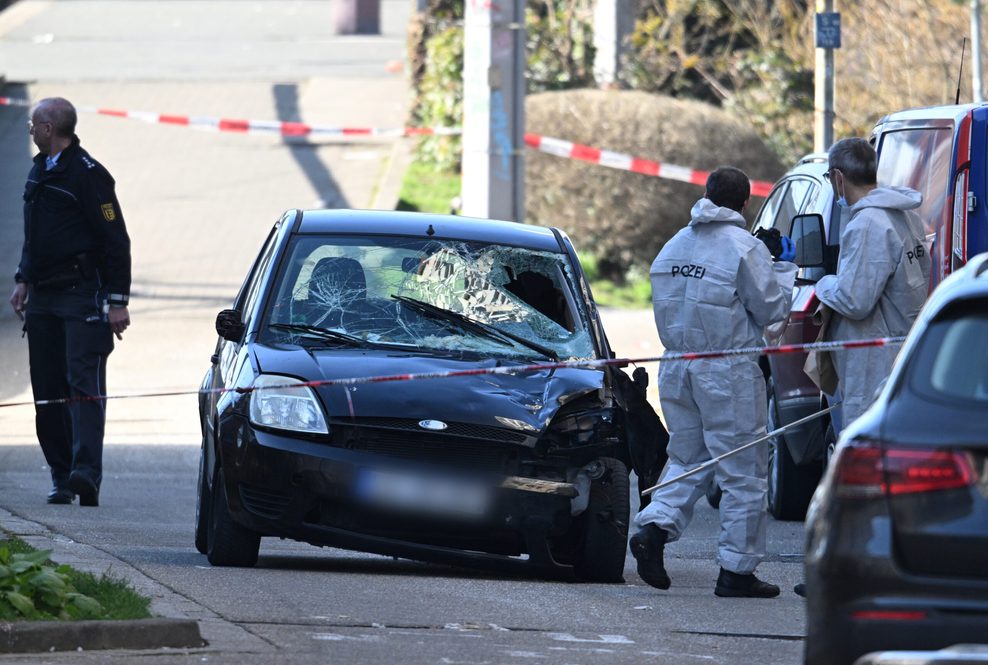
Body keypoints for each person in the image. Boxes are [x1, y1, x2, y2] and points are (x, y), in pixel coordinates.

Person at [630, 166, 797, 598]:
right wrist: (777, 265)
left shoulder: (673, 247)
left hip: (677, 367)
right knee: (743, 471)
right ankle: (736, 572)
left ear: (706, 194)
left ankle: (653, 529)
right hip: (727, 372)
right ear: (745, 202)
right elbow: (773, 311)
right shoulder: (745, 249)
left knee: (689, 457)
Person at [8, 97, 132, 507]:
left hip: (82, 298)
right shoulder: (38, 172)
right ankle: (61, 476)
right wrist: (23, 278)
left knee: (84, 387)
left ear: (48, 128)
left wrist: (117, 301)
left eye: (33, 124)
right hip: (43, 298)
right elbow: (34, 237)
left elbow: (116, 240)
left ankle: (86, 474)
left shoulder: (89, 176)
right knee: (47, 390)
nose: (29, 129)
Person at [816, 137, 931, 425]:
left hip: (872, 364)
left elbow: (855, 301)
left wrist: (824, 284)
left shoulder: (868, 224)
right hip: (902, 351)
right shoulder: (906, 216)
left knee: (868, 453)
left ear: (837, 177)